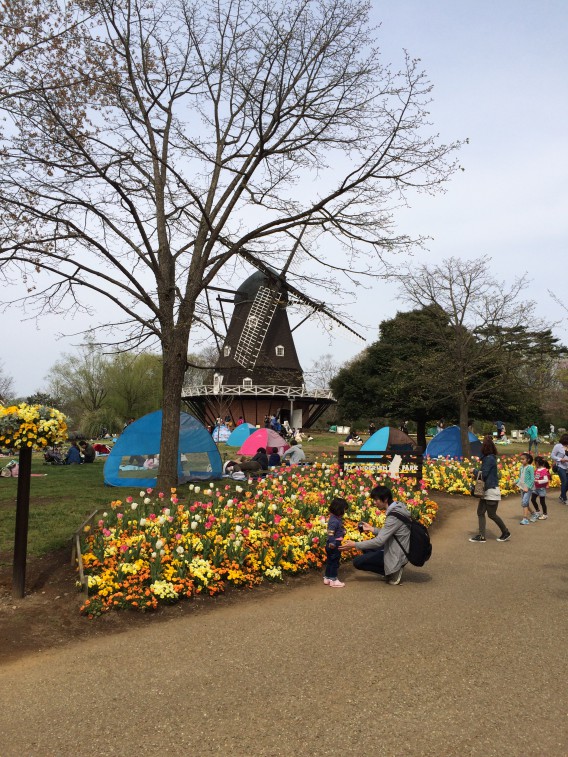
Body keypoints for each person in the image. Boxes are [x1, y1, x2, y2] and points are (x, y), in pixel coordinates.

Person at [339, 484, 410, 585]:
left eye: (376, 500)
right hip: (397, 546)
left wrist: (354, 545)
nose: (374, 502)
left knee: (358, 562)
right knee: (365, 547)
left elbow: (379, 541)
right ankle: (390, 568)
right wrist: (371, 529)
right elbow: (391, 532)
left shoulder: (393, 517)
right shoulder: (398, 507)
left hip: (397, 552)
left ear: (385, 499)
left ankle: (393, 571)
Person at [469, 436, 510, 543]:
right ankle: (481, 535)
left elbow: (484, 474)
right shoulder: (489, 458)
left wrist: (474, 471)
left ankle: (505, 532)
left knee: (492, 514)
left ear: (485, 448)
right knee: (480, 512)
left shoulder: (488, 459)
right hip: (486, 490)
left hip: (490, 490)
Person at [324, 497, 348, 588]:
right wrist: (333, 542)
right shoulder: (334, 520)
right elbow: (330, 532)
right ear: (339, 510)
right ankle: (333, 580)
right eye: (344, 510)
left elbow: (336, 530)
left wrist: (342, 531)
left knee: (330, 561)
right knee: (334, 562)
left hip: (332, 543)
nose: (345, 512)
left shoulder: (335, 518)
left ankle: (327, 578)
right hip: (335, 544)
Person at [517, 452, 537, 525]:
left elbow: (532, 479)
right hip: (522, 487)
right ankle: (533, 513)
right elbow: (520, 478)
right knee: (525, 503)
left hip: (527, 488)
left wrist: (527, 487)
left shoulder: (530, 467)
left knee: (524, 502)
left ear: (528, 460)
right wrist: (515, 482)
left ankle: (525, 519)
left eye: (523, 459)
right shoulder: (521, 467)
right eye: (521, 459)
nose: (521, 460)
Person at [551, 433, 568, 504]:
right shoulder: (558, 446)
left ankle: (561, 496)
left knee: (567, 483)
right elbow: (552, 455)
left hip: (567, 467)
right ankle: (564, 498)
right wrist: (560, 459)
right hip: (560, 466)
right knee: (564, 481)